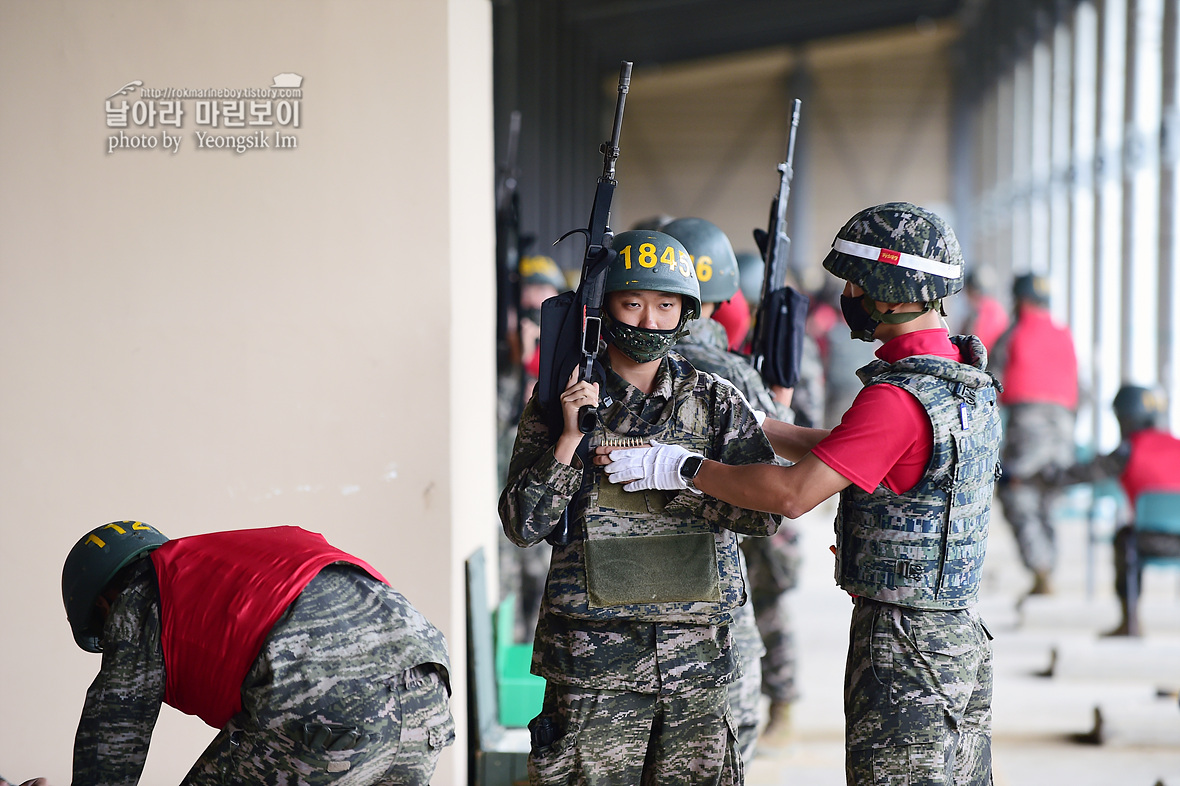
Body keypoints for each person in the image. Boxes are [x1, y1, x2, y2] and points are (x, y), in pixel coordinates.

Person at [599, 202, 1000, 786]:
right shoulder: (962, 381)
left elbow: (793, 495)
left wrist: (684, 466)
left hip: (907, 646)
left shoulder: (895, 398)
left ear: (890, 291)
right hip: (958, 638)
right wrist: (767, 426)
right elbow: (864, 452)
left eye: (856, 283)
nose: (849, 297)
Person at [499, 228, 781, 785]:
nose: (650, 321)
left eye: (666, 305)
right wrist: (567, 443)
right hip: (592, 668)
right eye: (633, 304)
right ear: (605, 309)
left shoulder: (716, 401)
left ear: (687, 312)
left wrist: (686, 477)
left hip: (694, 663)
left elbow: (765, 513)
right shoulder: (558, 401)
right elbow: (522, 523)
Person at [61, 522, 454, 785]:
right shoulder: (221, 563)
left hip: (330, 716)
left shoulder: (139, 594)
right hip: (428, 700)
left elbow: (113, 736)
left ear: (102, 604)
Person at [663, 216, 803, 754]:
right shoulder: (731, 370)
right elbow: (773, 466)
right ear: (725, 295)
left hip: (632, 571)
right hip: (716, 564)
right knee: (723, 730)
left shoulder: (622, 360)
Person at [1037, 385, 1180, 635]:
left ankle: (1130, 623)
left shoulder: (1129, 449)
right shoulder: (1176, 444)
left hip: (1148, 540)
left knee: (1124, 539)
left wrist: (1044, 476)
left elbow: (1086, 473)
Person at [992, 272, 1079, 596]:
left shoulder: (1015, 333)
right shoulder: (1064, 334)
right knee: (1048, 498)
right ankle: (1046, 566)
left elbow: (993, 383)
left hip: (1029, 428)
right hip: (1064, 430)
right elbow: (1079, 389)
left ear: (1019, 300)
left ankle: (1041, 568)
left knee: (1017, 494)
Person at [498, 254, 568, 641]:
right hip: (511, 489)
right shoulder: (506, 353)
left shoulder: (563, 352)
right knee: (511, 578)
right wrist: (516, 362)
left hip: (547, 483)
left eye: (545, 290)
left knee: (542, 577)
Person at [960, 268, 1009, 351]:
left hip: (986, 360)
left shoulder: (983, 311)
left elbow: (978, 346)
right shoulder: (997, 308)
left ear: (973, 291)